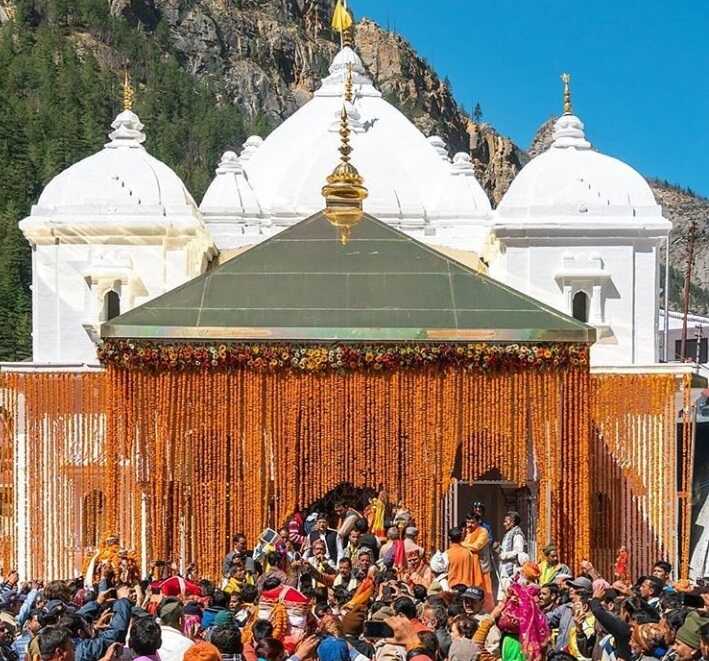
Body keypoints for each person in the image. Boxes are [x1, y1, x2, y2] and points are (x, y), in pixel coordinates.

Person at [463, 513, 494, 611]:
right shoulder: (468, 532)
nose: (469, 525)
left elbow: (476, 546)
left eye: (472, 522)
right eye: (468, 522)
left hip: (482, 567)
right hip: (470, 568)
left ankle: (486, 611)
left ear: (478, 522)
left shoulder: (483, 532)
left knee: (484, 591)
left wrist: (460, 545)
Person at [498, 512, 527, 598]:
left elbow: (518, 552)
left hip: (511, 572)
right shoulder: (509, 533)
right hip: (504, 571)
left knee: (505, 599)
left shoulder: (517, 534)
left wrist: (504, 555)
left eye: (506, 521)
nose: (504, 524)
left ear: (513, 522)